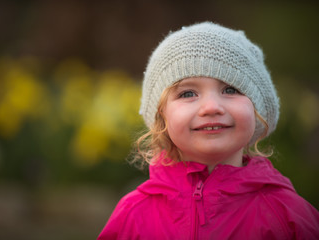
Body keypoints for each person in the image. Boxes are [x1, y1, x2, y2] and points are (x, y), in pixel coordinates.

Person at [97, 22, 319, 240]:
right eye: (187, 94)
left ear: (257, 108)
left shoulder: (286, 216)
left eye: (230, 89)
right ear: (161, 116)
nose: (212, 107)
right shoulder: (133, 215)